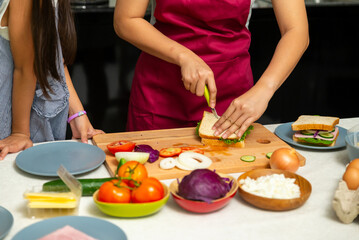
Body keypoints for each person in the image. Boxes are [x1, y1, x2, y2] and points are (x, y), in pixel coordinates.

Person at [113, 0, 309, 138]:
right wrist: (184, 56)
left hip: (231, 97)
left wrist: (264, 88)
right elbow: (126, 20)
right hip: (160, 95)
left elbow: (296, 30)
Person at [0, 0, 104, 160]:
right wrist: (20, 132)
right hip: (13, 118)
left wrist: (77, 114)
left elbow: (54, 58)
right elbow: (26, 69)